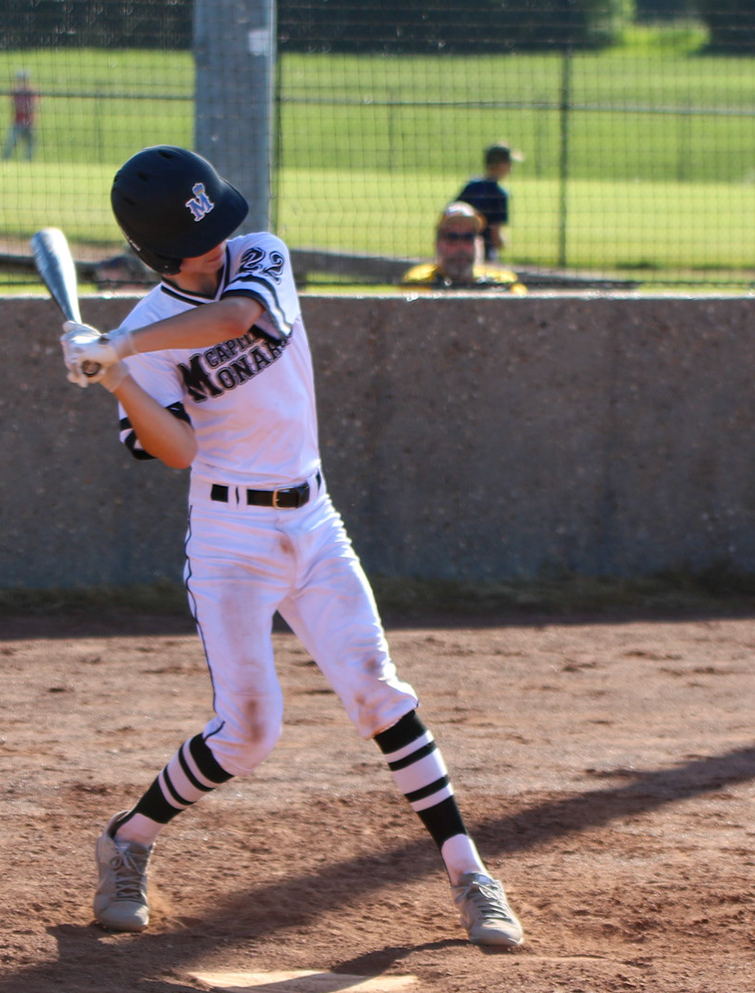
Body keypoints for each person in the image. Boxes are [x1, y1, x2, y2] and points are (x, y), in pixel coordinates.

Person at [56, 145, 525, 948]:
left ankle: (471, 874)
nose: (218, 247)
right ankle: (127, 841)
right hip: (229, 537)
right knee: (248, 731)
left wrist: (123, 351)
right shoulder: (136, 336)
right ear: (157, 253)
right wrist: (119, 381)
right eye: (197, 242)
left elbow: (239, 319)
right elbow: (179, 451)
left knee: (379, 691)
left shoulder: (260, 256)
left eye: (219, 227)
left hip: (313, 520)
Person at [400, 203, 526, 293]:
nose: (460, 247)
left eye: (468, 237)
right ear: (437, 244)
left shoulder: (505, 282)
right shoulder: (419, 282)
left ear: (479, 243)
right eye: (452, 238)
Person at [455, 143, 519, 262]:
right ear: (501, 165)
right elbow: (495, 234)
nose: (511, 167)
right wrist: (502, 243)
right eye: (509, 163)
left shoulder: (471, 185)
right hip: (485, 252)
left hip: (461, 248)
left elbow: (454, 212)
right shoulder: (499, 193)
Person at [1, 70, 38, 161]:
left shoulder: (31, 91)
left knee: (30, 145)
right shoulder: (15, 91)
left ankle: (28, 162)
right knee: (10, 143)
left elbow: (33, 106)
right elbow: (13, 105)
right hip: (17, 122)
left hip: (29, 122)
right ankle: (4, 161)